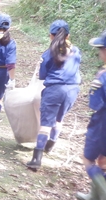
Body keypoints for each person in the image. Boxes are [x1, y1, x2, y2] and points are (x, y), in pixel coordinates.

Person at [75, 27, 106, 200]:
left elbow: (95, 104)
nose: (99, 52)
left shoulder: (105, 75)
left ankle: (105, 195)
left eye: (100, 49)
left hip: (105, 121)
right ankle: (94, 197)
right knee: (105, 160)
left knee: (88, 159)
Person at [27, 20, 81, 170]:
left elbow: (42, 75)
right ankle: (51, 144)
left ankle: (36, 158)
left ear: (51, 36)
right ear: (68, 35)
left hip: (54, 89)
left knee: (46, 123)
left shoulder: (49, 52)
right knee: (59, 118)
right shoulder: (76, 51)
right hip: (72, 89)